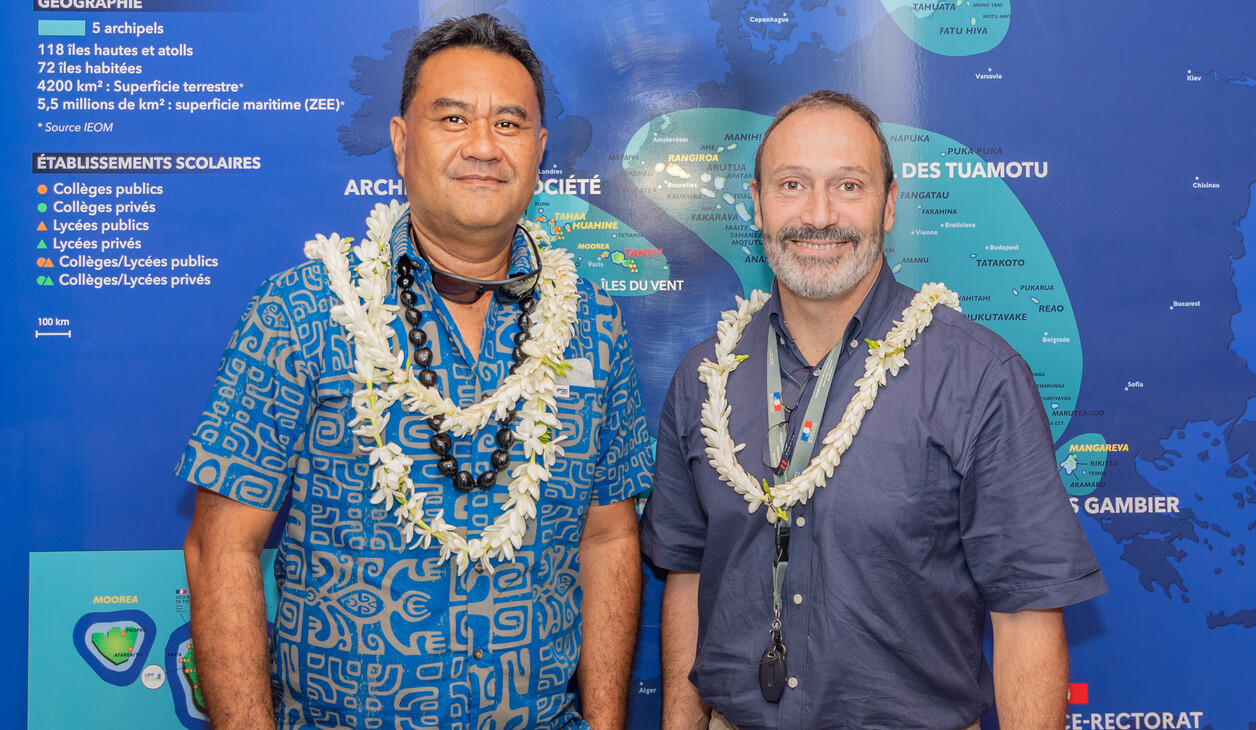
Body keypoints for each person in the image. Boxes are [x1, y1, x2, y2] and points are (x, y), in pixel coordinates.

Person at [179, 14, 652, 730]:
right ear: (402, 143)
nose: (484, 147)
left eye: (510, 123)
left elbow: (610, 539)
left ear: (540, 150)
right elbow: (220, 547)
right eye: (453, 118)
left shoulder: (594, 323)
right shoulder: (303, 312)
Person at [640, 90, 1107, 730]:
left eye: (849, 185)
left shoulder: (977, 376)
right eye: (792, 184)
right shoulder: (704, 379)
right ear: (756, 205)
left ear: (888, 206)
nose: (819, 214)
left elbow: (1025, 612)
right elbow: (689, 577)